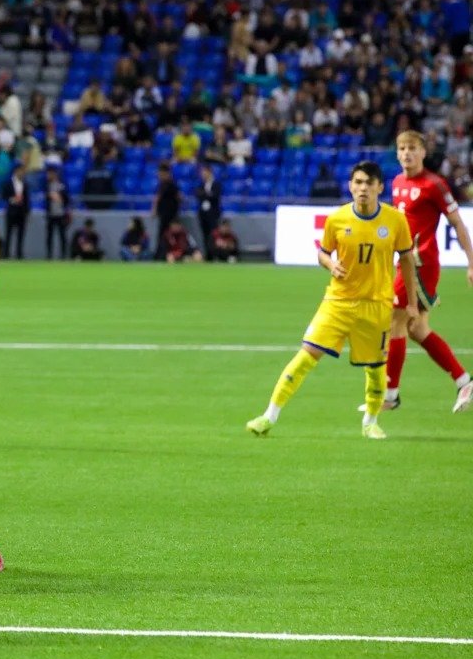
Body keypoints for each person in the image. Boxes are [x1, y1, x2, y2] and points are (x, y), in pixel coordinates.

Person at [247, 161, 416, 439]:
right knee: (305, 356)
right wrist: (331, 265)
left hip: (376, 304)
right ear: (350, 186)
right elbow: (323, 253)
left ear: (379, 188)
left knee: (375, 369)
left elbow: (407, 260)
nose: (363, 188)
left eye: (369, 184)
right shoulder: (336, 219)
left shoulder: (395, 221)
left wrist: (410, 301)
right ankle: (268, 417)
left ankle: (370, 423)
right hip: (337, 302)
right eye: (358, 183)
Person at [375, 131, 473, 413]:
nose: (406, 153)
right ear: (397, 153)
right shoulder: (396, 182)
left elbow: (458, 224)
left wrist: (470, 263)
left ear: (423, 152)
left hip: (421, 265)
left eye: (412, 148)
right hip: (404, 262)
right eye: (402, 148)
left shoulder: (434, 184)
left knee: (395, 320)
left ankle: (391, 395)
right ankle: (463, 380)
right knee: (417, 329)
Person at [1, 164, 29, 259]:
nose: (22, 173)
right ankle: (6, 254)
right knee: (9, 233)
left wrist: (27, 211)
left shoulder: (25, 184)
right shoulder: (8, 183)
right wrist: (12, 199)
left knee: (21, 234)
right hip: (11, 211)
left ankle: (19, 254)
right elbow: (4, 195)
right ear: (16, 171)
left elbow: (27, 199)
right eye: (21, 170)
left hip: (21, 212)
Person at [43, 165, 70, 259]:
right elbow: (45, 198)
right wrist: (49, 196)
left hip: (60, 213)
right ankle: (49, 255)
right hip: (51, 214)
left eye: (50, 173)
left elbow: (67, 199)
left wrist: (60, 198)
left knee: (62, 236)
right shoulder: (47, 185)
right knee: (49, 236)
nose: (48, 175)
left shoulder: (62, 185)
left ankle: (63, 255)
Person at [196, 163, 222, 244]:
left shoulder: (216, 184)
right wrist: (208, 194)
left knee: (214, 234)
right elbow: (198, 195)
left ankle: (214, 253)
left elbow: (215, 196)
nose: (203, 174)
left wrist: (206, 194)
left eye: (204, 172)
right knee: (205, 234)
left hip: (213, 213)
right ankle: (207, 254)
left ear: (210, 172)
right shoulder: (201, 185)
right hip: (203, 214)